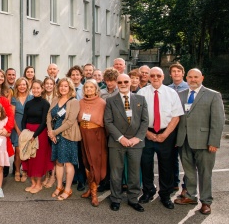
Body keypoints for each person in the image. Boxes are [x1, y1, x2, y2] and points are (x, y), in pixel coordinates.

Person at [173, 69, 225, 215]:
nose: (193, 79)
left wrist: (214, 142)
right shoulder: (180, 95)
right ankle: (190, 196)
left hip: (205, 143)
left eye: (196, 77)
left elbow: (218, 121)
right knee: (189, 172)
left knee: (205, 173)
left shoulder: (213, 95)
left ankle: (206, 202)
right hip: (184, 141)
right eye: (190, 77)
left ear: (202, 77)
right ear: (186, 78)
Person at [137, 67, 184, 210]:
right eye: (153, 75)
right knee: (145, 164)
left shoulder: (171, 93)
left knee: (166, 165)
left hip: (166, 133)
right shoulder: (142, 93)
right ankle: (148, 191)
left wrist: (165, 134)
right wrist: (147, 133)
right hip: (147, 133)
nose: (155, 78)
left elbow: (176, 116)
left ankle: (165, 194)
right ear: (149, 77)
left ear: (163, 77)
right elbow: (137, 116)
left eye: (158, 75)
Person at [104, 73, 149, 212]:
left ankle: (133, 199)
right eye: (120, 82)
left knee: (134, 173)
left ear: (131, 83)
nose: (123, 84)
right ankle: (116, 199)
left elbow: (145, 121)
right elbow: (108, 122)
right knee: (116, 172)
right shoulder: (111, 101)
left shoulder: (140, 99)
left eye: (126, 82)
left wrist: (137, 138)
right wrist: (120, 138)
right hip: (117, 142)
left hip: (135, 142)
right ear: (117, 84)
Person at [47, 77, 81, 201]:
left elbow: (70, 121)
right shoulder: (55, 99)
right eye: (61, 86)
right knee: (58, 162)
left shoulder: (74, 101)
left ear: (70, 87)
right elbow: (49, 116)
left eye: (66, 86)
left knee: (68, 162)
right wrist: (51, 132)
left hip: (68, 135)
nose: (63, 88)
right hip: (55, 135)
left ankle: (68, 189)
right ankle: (59, 186)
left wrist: (54, 132)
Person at [77, 79, 107, 207]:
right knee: (86, 162)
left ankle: (94, 193)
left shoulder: (102, 103)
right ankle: (90, 188)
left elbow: (104, 120)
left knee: (95, 163)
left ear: (96, 89)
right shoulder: (80, 102)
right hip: (83, 133)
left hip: (96, 134)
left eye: (91, 87)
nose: (89, 89)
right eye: (87, 87)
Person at [21, 80, 52, 194]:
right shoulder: (28, 103)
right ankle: (33, 183)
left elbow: (44, 122)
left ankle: (39, 184)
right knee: (29, 157)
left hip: (40, 133)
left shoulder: (45, 103)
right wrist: (25, 132)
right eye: (33, 88)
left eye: (38, 88)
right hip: (28, 133)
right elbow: (24, 119)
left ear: (42, 89)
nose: (36, 90)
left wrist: (34, 135)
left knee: (38, 159)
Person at [167, 63, 189, 193]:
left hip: (184, 127)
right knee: (171, 157)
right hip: (171, 127)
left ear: (183, 73)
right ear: (170, 74)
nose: (176, 73)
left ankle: (187, 186)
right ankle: (174, 182)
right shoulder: (167, 89)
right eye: (173, 71)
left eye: (178, 71)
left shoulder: (188, 87)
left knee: (187, 159)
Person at [66, 65, 85, 190]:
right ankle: (72, 178)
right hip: (70, 126)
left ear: (81, 76)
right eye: (73, 74)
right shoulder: (67, 91)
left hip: (82, 125)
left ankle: (82, 180)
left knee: (81, 154)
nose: (75, 76)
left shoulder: (85, 89)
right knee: (72, 153)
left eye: (77, 74)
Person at [11, 77, 32, 182]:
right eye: (20, 85)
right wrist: (18, 130)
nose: (22, 87)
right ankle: (17, 171)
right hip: (17, 127)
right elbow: (12, 115)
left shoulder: (31, 98)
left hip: (29, 127)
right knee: (18, 151)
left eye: (24, 84)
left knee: (27, 150)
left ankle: (25, 171)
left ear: (27, 86)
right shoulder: (14, 98)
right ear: (17, 86)